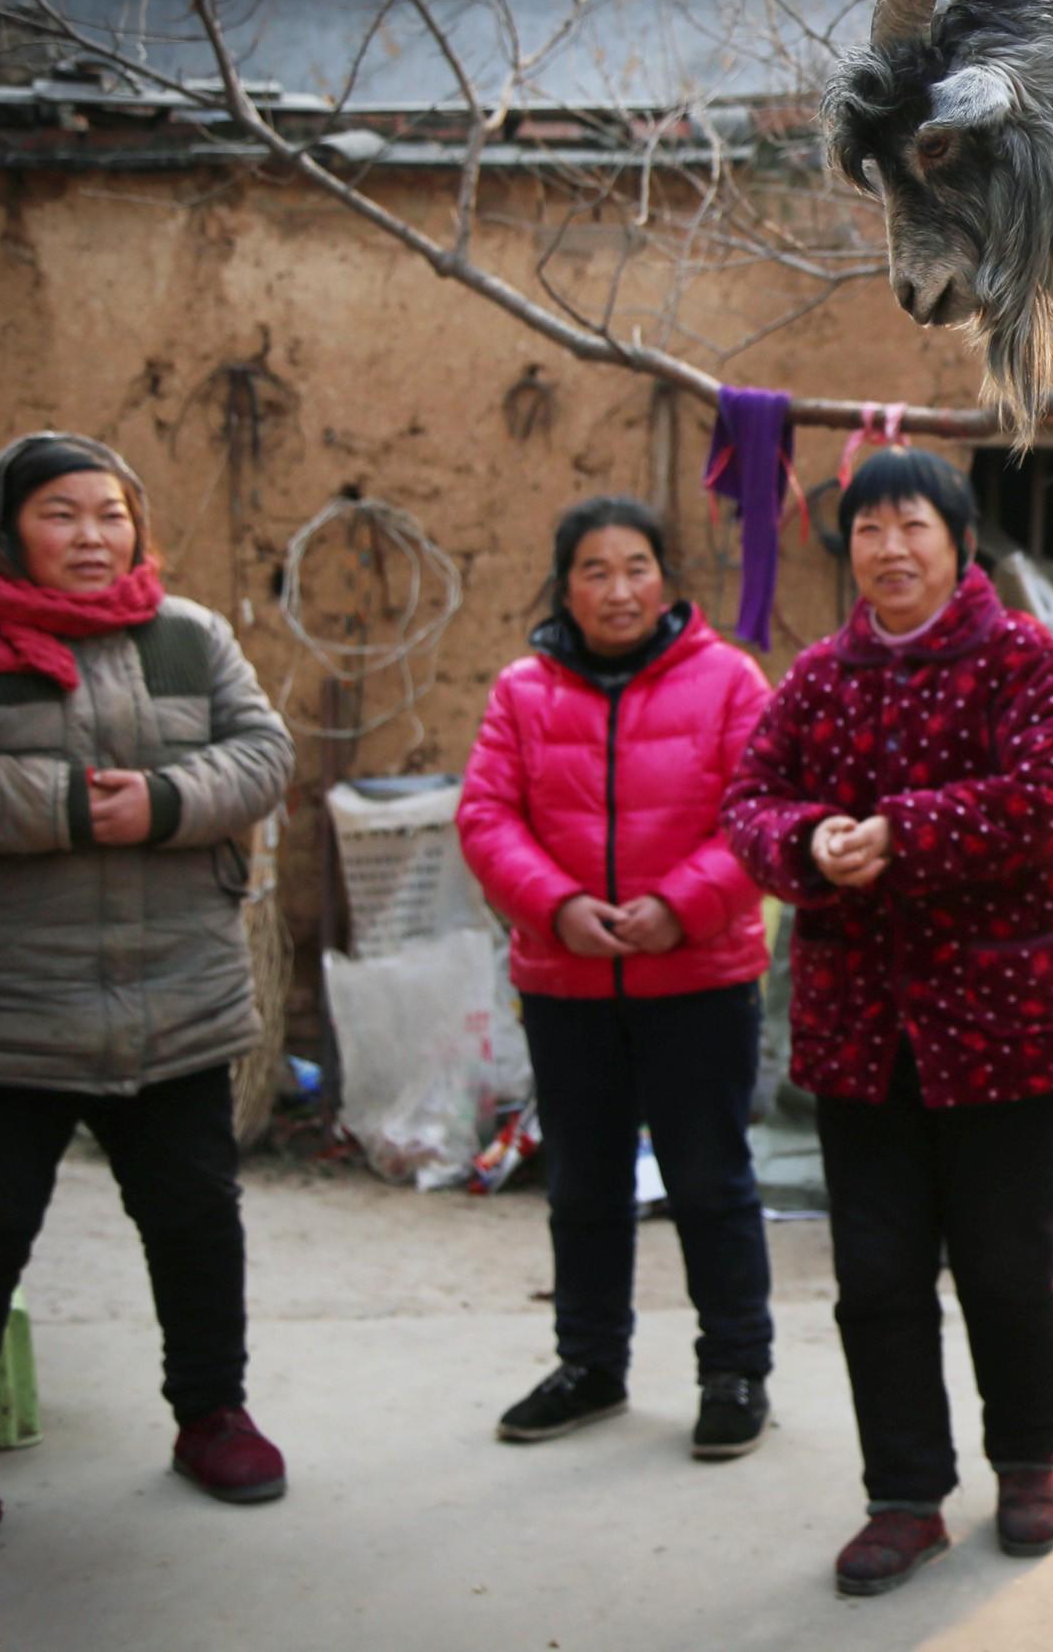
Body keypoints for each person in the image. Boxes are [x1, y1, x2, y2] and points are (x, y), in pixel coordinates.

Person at [722, 448, 1053, 1597]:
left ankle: (1026, 1462)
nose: (889, 547)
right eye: (868, 528)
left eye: (911, 525)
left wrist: (899, 829)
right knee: (875, 1273)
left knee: (1003, 1263)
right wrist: (806, 844)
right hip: (861, 1030)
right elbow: (747, 802)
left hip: (1002, 1022)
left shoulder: (1020, 657)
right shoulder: (822, 677)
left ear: (959, 540)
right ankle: (903, 1494)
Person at [0, 432, 297, 1547]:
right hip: (4, 1000)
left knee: (194, 1218)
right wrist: (73, 808)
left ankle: (211, 1413)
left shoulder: (189, 634)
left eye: (111, 513)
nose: (92, 537)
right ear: (7, 525)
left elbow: (263, 753)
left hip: (174, 994)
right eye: (61, 513)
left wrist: (164, 799)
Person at [457, 496, 778, 1460]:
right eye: (594, 571)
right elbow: (485, 817)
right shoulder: (524, 691)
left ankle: (734, 1371)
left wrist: (679, 904)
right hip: (568, 982)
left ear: (666, 580)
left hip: (701, 979)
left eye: (635, 566)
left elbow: (760, 815)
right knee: (583, 1188)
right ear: (566, 589)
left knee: (709, 1183)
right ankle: (591, 1364)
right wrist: (557, 907)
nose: (618, 588)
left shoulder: (728, 680)